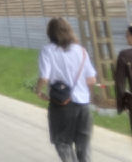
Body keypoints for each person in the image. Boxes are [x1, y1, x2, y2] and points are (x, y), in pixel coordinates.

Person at [35, 17, 97, 162]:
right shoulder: (81, 51)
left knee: (62, 142)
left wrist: (38, 91)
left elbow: (44, 77)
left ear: (50, 33)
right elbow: (91, 79)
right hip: (83, 104)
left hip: (62, 105)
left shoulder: (48, 50)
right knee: (83, 145)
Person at [113, 23, 132, 135]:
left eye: (127, 35)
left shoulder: (124, 55)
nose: (126, 37)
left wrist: (122, 104)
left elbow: (120, 82)